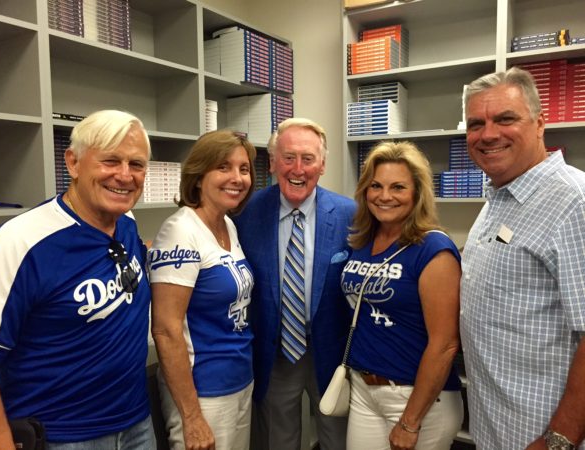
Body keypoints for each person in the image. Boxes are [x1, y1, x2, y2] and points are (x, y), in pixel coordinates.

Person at [0, 110, 155, 448]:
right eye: (110, 161)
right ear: (73, 163)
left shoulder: (126, 222)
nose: (125, 175)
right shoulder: (20, 241)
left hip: (137, 422)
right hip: (62, 436)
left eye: (136, 165)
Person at [460, 67, 585, 450]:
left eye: (506, 119)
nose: (488, 134)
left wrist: (559, 439)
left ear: (539, 124)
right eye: (476, 123)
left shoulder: (573, 202)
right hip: (495, 426)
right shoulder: (499, 197)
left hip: (542, 436)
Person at [233, 117, 356, 450]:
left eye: (308, 159)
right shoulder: (245, 213)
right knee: (279, 439)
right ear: (272, 163)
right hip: (275, 353)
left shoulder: (351, 215)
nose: (297, 169)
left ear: (323, 165)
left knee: (337, 439)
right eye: (288, 158)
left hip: (331, 353)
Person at [340, 141, 463, 450]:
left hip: (416, 398)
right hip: (364, 389)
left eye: (398, 187)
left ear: (417, 193)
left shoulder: (434, 250)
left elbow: (445, 344)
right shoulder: (363, 241)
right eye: (376, 186)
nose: (384, 196)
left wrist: (410, 421)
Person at [149, 130, 256, 450]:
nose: (237, 178)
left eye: (244, 169)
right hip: (202, 392)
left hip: (238, 381)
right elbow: (166, 330)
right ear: (198, 176)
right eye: (223, 167)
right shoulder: (180, 230)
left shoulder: (228, 224)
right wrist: (192, 417)